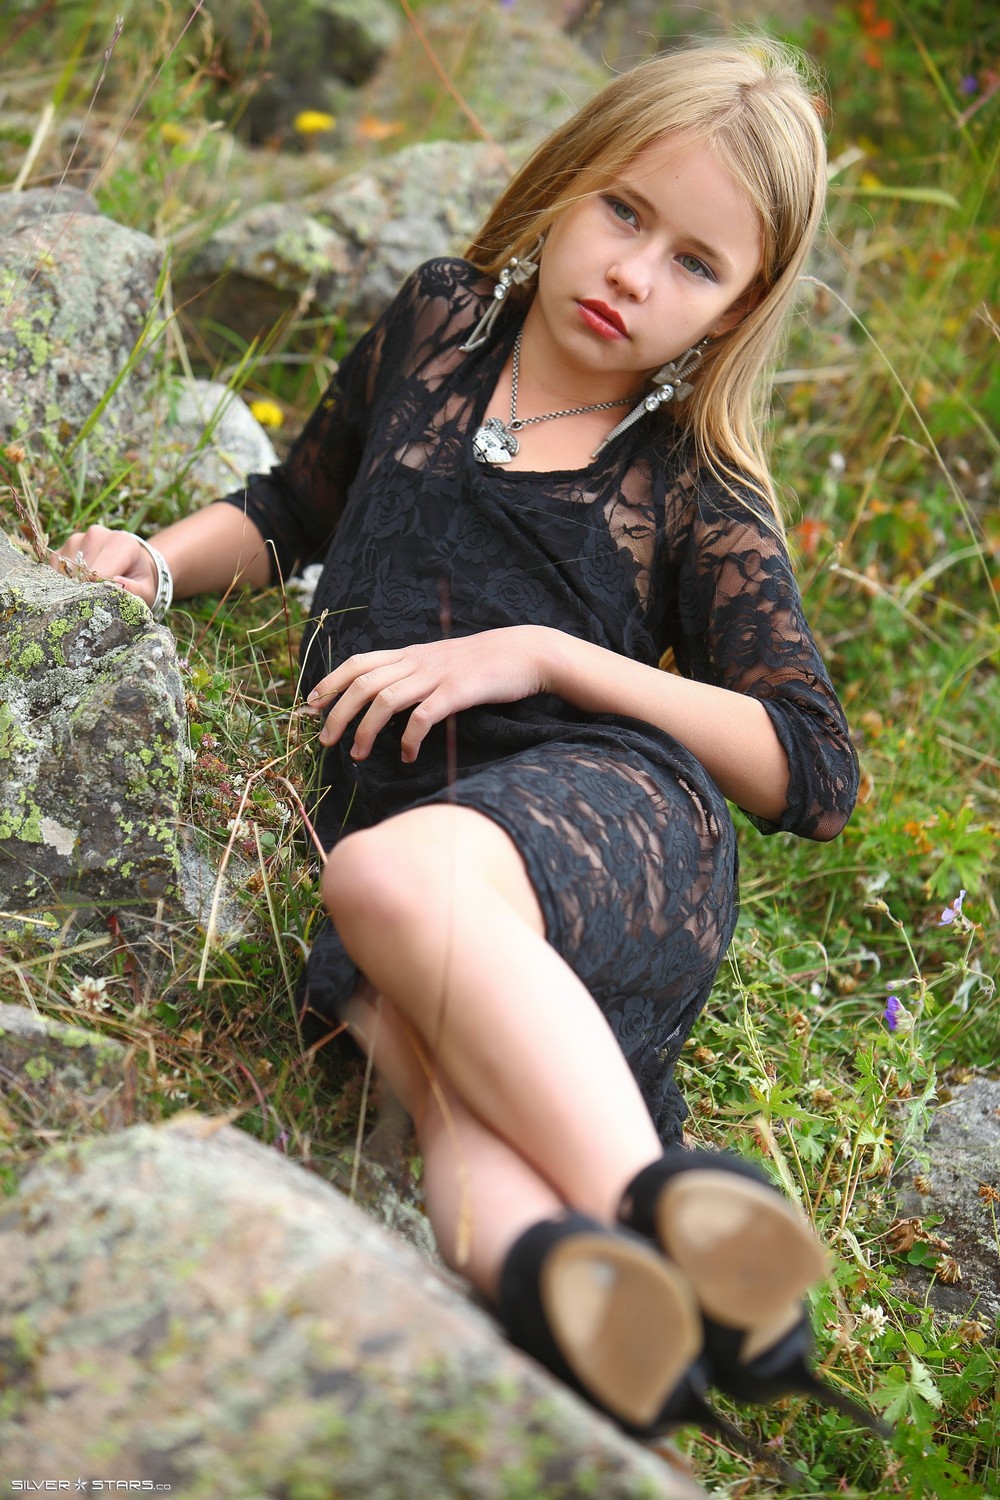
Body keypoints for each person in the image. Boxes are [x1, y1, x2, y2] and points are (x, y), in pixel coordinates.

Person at [57, 37, 879, 1448]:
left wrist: (551, 655)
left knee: (388, 882)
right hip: (414, 852)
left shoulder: (691, 481)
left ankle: (663, 1217)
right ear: (564, 181)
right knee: (441, 1104)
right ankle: (596, 1330)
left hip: (604, 826)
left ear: (738, 309)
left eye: (694, 263)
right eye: (624, 211)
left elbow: (814, 768)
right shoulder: (441, 324)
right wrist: (157, 563)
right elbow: (292, 509)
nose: (633, 272)